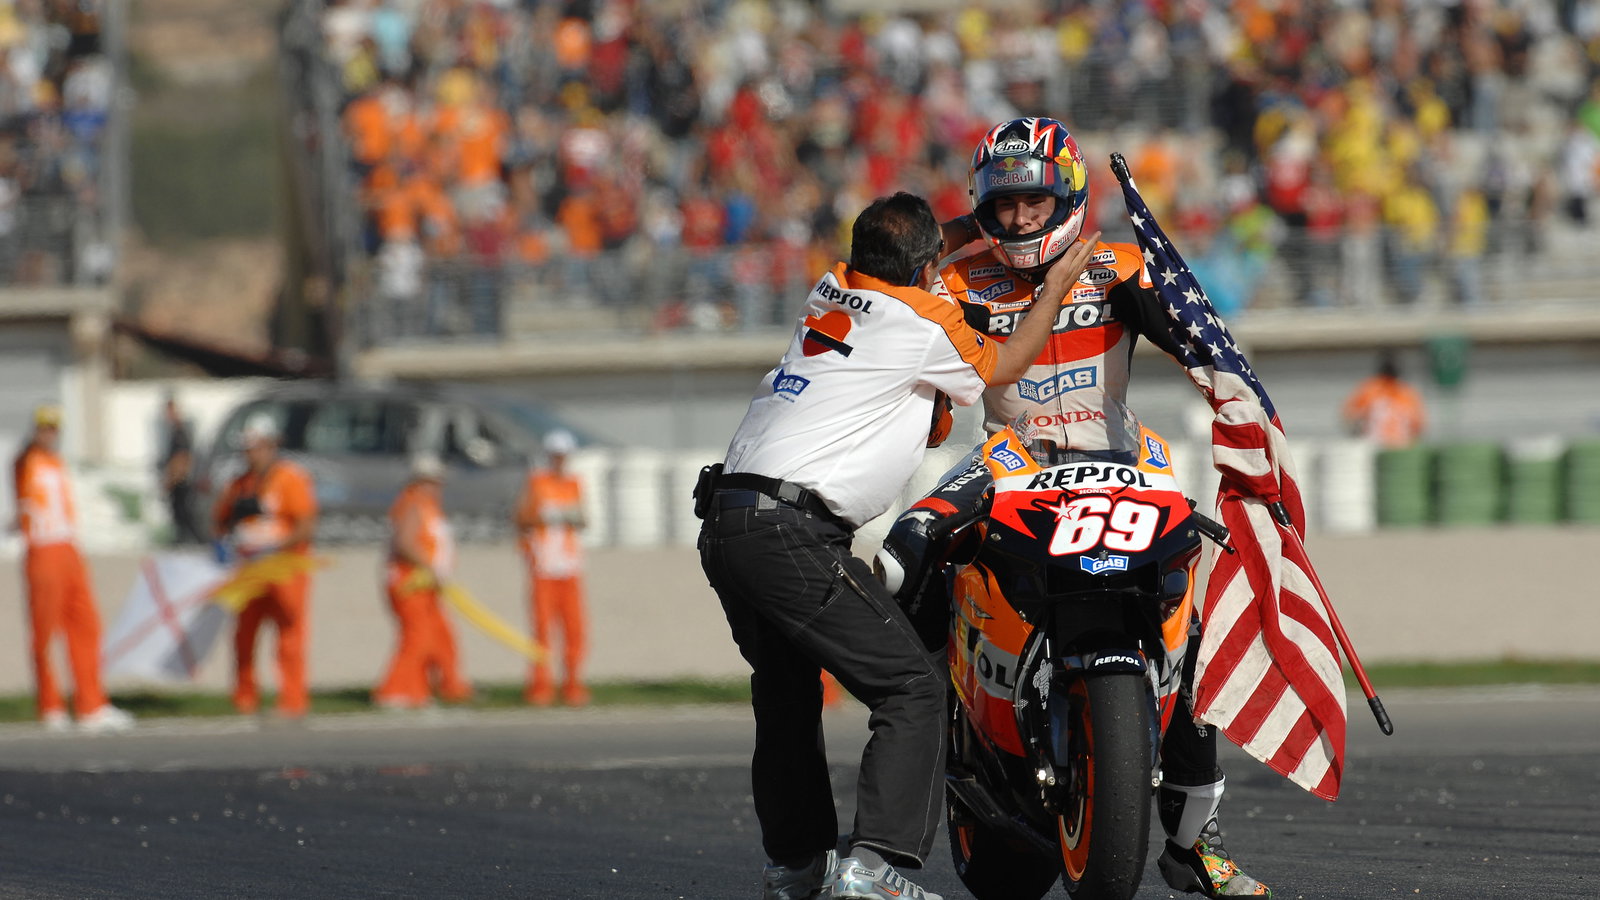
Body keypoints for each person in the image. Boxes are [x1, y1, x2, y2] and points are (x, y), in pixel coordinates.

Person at [876, 118, 1272, 898]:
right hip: (1010, 459)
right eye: (1002, 204)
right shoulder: (955, 282)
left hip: (1122, 462)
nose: (1019, 219)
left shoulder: (1118, 265)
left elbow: (1200, 343)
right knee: (906, 553)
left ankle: (1197, 836)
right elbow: (881, 280)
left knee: (1194, 623)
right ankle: (919, 730)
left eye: (1034, 201)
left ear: (1070, 197)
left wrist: (1248, 414)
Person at [698, 190, 1099, 900]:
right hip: (790, 532)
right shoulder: (924, 318)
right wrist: (1059, 284)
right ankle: (874, 867)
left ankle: (796, 868)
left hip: (729, 516)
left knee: (786, 692)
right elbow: (1005, 366)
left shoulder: (836, 280)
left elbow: (912, 249)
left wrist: (972, 227)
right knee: (912, 685)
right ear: (922, 268)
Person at [10, 404, 133, 733]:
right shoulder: (27, 462)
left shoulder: (56, 462)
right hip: (43, 549)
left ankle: (91, 704)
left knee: (86, 624)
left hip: (68, 548)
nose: (49, 434)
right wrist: (29, 442)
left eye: (53, 429)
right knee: (45, 632)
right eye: (43, 428)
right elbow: (21, 465)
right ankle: (50, 706)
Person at [212, 414, 319, 718]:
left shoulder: (290, 477)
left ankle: (293, 697)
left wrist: (275, 548)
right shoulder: (239, 483)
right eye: (247, 449)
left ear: (271, 446)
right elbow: (220, 521)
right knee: (244, 633)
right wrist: (224, 542)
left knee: (289, 632)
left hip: (285, 568)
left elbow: (306, 525)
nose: (251, 454)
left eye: (257, 447)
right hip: (249, 569)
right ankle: (245, 696)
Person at [374, 453, 471, 709]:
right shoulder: (413, 503)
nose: (437, 488)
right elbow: (405, 543)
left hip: (426, 583)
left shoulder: (428, 506)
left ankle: (428, 690)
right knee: (418, 637)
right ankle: (393, 690)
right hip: (410, 581)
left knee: (440, 635)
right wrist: (431, 567)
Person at [515, 429, 589, 707]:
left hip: (569, 566)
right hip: (543, 566)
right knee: (542, 630)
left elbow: (584, 519)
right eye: (556, 456)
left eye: (564, 456)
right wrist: (540, 517)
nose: (560, 461)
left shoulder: (574, 484)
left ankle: (572, 684)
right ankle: (540, 686)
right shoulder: (536, 483)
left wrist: (571, 516)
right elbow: (521, 518)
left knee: (575, 629)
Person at [1341, 352, 1427, 448]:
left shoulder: (1369, 389)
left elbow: (1349, 417)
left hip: (1377, 445)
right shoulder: (1406, 392)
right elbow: (1418, 427)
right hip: (1397, 446)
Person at [158, 392, 204, 545]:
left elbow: (181, 458)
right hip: (178, 478)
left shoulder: (179, 431)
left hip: (180, 480)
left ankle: (193, 542)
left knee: (183, 514)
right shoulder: (174, 430)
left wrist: (172, 480)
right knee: (179, 514)